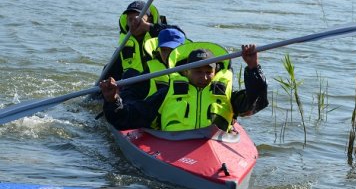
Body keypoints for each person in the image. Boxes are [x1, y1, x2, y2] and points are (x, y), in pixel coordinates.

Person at [100, 44, 268, 132]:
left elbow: (256, 101)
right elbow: (127, 118)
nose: (203, 77)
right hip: (174, 146)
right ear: (187, 72)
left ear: (215, 72)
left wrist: (253, 68)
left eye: (208, 72)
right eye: (198, 72)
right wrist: (112, 100)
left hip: (216, 146)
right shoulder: (167, 93)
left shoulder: (227, 95)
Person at [104, 0, 185, 81]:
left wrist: (148, 27)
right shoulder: (123, 46)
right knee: (125, 73)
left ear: (149, 20)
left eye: (138, 19)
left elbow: (180, 35)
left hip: (161, 84)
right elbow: (110, 76)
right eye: (130, 19)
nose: (133, 23)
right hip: (135, 88)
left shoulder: (163, 38)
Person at [119, 27, 186, 102]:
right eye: (164, 50)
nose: (168, 54)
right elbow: (131, 93)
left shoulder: (192, 67)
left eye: (173, 49)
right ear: (159, 50)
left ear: (182, 49)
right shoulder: (152, 70)